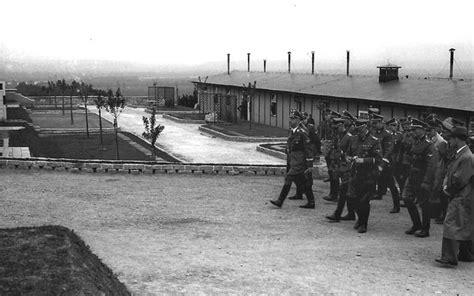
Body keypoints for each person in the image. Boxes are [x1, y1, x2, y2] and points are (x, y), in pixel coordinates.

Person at [435, 126, 474, 266]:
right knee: (465, 224)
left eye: (451, 139)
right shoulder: (462, 154)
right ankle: (467, 253)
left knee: (451, 224)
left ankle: (449, 257)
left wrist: (448, 188)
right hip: (463, 196)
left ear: (457, 139)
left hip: (460, 196)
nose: (449, 141)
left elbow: (459, 179)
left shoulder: (466, 157)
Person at [270, 109, 315, 209]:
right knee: (303, 181)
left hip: (299, 161)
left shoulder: (302, 132)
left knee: (288, 177)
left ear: (299, 120)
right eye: (290, 118)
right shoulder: (292, 131)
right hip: (293, 160)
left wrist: (310, 165)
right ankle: (311, 202)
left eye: (294, 118)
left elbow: (308, 149)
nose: (291, 120)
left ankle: (280, 201)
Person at [345, 119, 382, 233]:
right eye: (357, 130)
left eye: (360, 129)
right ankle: (360, 218)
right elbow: (348, 152)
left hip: (368, 175)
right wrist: (347, 158)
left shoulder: (374, 141)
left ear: (366, 128)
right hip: (355, 173)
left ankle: (363, 224)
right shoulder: (354, 139)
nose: (359, 132)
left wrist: (363, 160)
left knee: (364, 200)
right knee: (353, 198)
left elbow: (378, 159)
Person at [402, 119, 435, 238]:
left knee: (424, 203)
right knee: (406, 198)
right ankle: (416, 224)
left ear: (422, 130)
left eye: (416, 129)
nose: (413, 131)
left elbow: (430, 165)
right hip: (412, 175)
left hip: (421, 177)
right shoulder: (414, 141)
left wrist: (426, 181)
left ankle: (425, 229)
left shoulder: (428, 144)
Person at [325, 115, 357, 222]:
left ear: (342, 126)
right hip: (340, 166)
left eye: (336, 127)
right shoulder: (339, 136)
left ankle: (338, 214)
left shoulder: (348, 137)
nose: (335, 129)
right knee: (346, 192)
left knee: (344, 191)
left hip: (347, 168)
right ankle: (351, 213)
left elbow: (350, 152)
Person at [386, 117, 403, 213]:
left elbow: (400, 150)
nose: (395, 127)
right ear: (388, 126)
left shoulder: (399, 136)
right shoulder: (386, 135)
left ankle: (396, 205)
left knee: (392, 184)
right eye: (393, 125)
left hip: (393, 162)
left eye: (396, 125)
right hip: (385, 160)